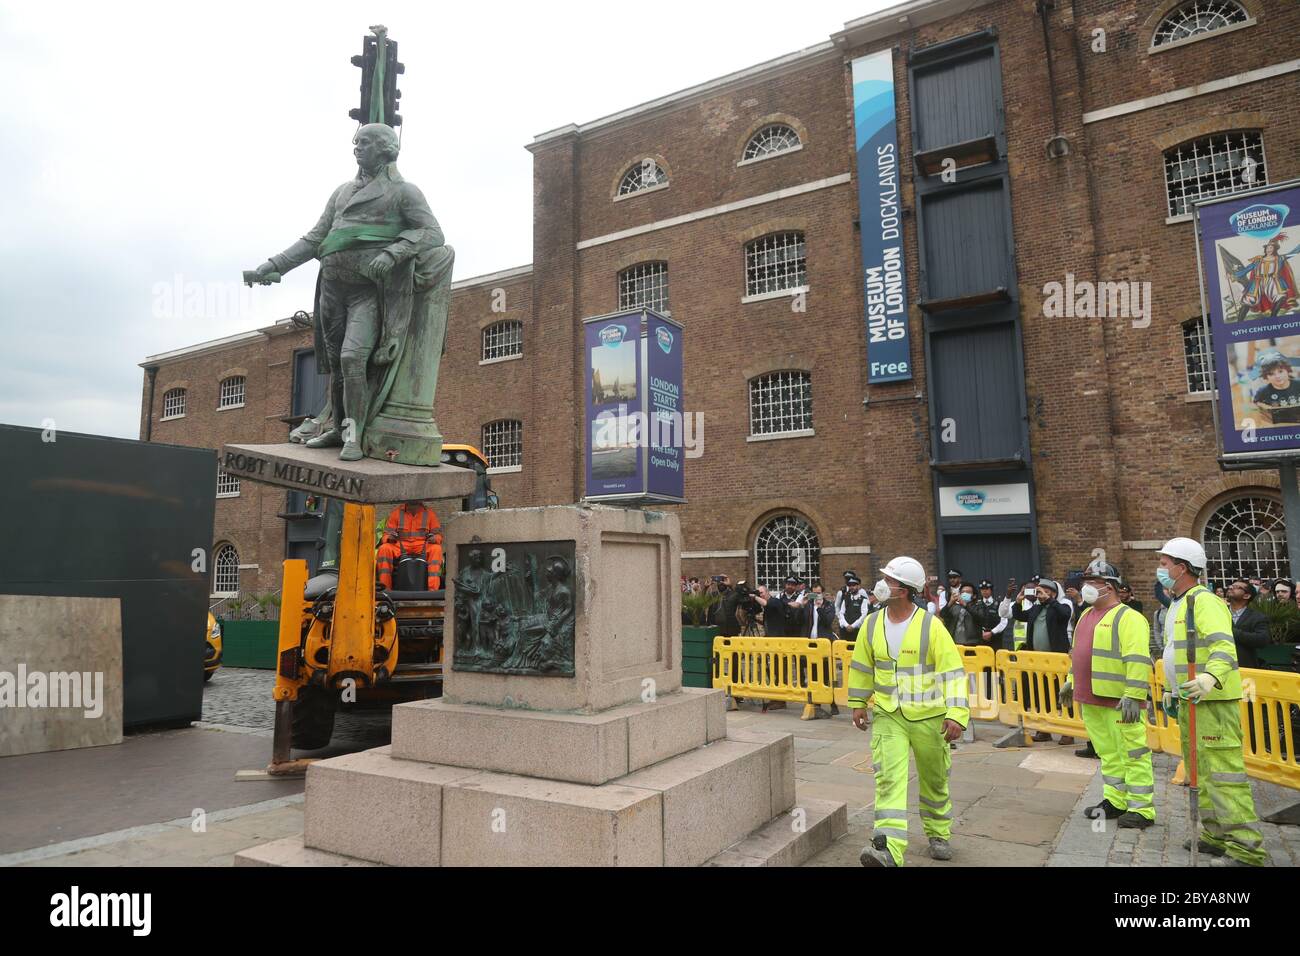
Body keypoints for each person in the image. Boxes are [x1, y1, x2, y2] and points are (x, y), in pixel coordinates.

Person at [251, 124, 446, 462]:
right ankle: (337, 428)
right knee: (337, 368)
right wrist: (274, 265)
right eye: (356, 141)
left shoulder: (404, 192)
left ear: (386, 149)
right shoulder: (341, 192)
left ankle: (354, 435)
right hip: (332, 288)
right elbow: (316, 238)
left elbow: (432, 233)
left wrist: (393, 252)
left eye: (366, 142)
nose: (358, 147)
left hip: (366, 292)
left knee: (352, 358)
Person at [848, 556, 968, 867]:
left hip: (930, 718)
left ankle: (938, 832)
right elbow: (862, 666)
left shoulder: (931, 626)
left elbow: (952, 673)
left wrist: (957, 714)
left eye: (889, 580)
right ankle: (887, 848)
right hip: (889, 714)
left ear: (904, 589)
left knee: (935, 779)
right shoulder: (872, 623)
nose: (882, 584)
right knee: (888, 778)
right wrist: (858, 702)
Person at [1158, 537, 1267, 865]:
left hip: (1213, 700)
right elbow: (1175, 652)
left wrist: (1210, 677)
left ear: (1183, 567)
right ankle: (1214, 834)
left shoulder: (1203, 602)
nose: (1160, 569)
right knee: (1200, 771)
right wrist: (1170, 688)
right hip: (1190, 700)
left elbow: (1223, 647)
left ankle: (1246, 850)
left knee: (1223, 775)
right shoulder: (1177, 603)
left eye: (1165, 563)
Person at [1058, 559, 1155, 828]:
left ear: (1109, 586)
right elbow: (1077, 655)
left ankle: (1142, 809)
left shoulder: (1129, 617)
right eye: (1085, 581)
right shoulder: (1086, 616)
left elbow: (1137, 658)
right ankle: (1116, 800)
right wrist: (1070, 681)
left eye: (1092, 582)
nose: (1085, 587)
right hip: (1091, 699)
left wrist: (1135, 695)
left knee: (1132, 753)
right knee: (1108, 754)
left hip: (1119, 702)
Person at [1004, 578, 1075, 745]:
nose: (1040, 593)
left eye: (1045, 590)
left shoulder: (1061, 607)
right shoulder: (1036, 609)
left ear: (1053, 593)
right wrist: (1018, 601)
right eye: (1038, 590)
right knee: (1042, 696)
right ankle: (1044, 730)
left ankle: (1068, 732)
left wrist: (1050, 600)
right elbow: (1019, 615)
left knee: (1063, 696)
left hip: (1056, 659)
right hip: (1038, 660)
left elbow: (1065, 616)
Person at [376, 500, 442, 590]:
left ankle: (433, 590)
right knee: (384, 549)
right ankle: (385, 589)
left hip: (422, 546)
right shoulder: (396, 513)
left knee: (436, 549)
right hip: (401, 546)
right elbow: (385, 535)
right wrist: (389, 538)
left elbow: (438, 535)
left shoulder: (429, 514)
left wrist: (435, 538)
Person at [1226, 578, 1271, 670]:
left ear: (1246, 596)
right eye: (1231, 586)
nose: (1231, 588)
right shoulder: (1219, 612)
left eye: (1237, 587)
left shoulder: (1258, 617)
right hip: (1219, 667)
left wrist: (1231, 632)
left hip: (1245, 668)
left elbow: (1262, 640)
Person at [974, 579, 1009, 650]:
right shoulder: (976, 604)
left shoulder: (999, 603)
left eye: (987, 589)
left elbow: (1004, 621)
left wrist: (992, 632)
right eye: (982, 589)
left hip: (996, 638)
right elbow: (974, 621)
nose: (984, 591)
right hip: (981, 638)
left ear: (991, 590)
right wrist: (982, 633)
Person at [837, 576, 869, 641]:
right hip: (845, 631)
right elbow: (841, 613)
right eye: (850, 585)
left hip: (857, 631)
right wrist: (846, 625)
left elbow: (864, 615)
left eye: (854, 585)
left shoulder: (863, 600)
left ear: (858, 586)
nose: (851, 587)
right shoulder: (845, 599)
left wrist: (853, 626)